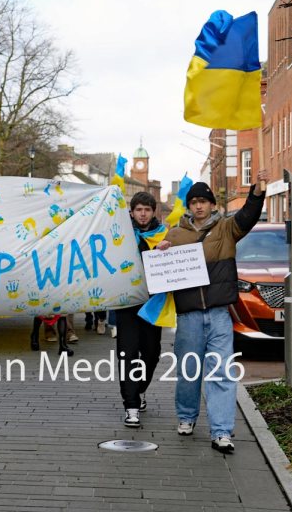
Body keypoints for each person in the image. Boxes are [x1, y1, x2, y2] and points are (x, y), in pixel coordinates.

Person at [157, 172, 267, 453]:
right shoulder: (175, 235)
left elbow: (249, 216)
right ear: (188, 205)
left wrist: (257, 192)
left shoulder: (227, 229)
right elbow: (161, 272)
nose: (198, 206)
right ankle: (186, 416)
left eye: (203, 201)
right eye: (193, 202)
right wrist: (160, 252)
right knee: (188, 371)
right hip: (189, 315)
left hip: (219, 314)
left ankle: (221, 431)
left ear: (212, 204)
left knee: (221, 373)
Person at [115, 192, 160, 428]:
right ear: (131, 212)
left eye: (147, 209)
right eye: (139, 209)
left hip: (153, 305)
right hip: (127, 304)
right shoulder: (120, 237)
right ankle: (131, 405)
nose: (143, 213)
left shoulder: (162, 237)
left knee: (151, 353)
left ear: (153, 212)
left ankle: (140, 389)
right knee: (127, 354)